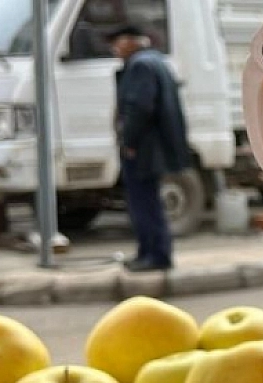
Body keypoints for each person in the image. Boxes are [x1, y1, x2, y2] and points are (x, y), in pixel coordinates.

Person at [110, 24, 189, 272]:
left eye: (118, 41)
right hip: (151, 147)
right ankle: (149, 252)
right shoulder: (155, 60)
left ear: (132, 41)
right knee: (147, 201)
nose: (114, 48)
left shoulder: (140, 65)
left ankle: (155, 255)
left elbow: (139, 107)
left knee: (143, 203)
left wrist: (129, 142)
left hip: (143, 149)